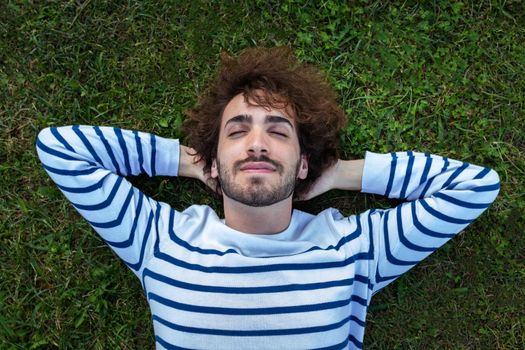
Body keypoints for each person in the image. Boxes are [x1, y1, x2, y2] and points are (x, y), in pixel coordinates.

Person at [36, 47, 500, 349]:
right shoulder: (158, 240)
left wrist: (340, 173)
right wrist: (190, 162)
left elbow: (474, 188)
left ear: (303, 164)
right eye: (237, 132)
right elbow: (60, 149)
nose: (257, 144)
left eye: (278, 133)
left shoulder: (354, 248)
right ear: (212, 160)